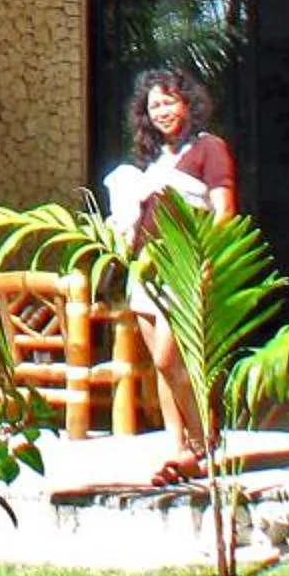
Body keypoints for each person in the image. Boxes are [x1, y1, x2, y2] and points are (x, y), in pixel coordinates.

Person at [102, 67, 235, 486]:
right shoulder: (152, 160)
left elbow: (224, 212)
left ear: (188, 104)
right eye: (153, 104)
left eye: (169, 102)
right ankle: (176, 450)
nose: (161, 111)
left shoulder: (209, 149)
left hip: (185, 268)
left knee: (169, 358)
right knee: (160, 367)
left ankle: (203, 442)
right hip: (148, 268)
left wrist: (206, 261)